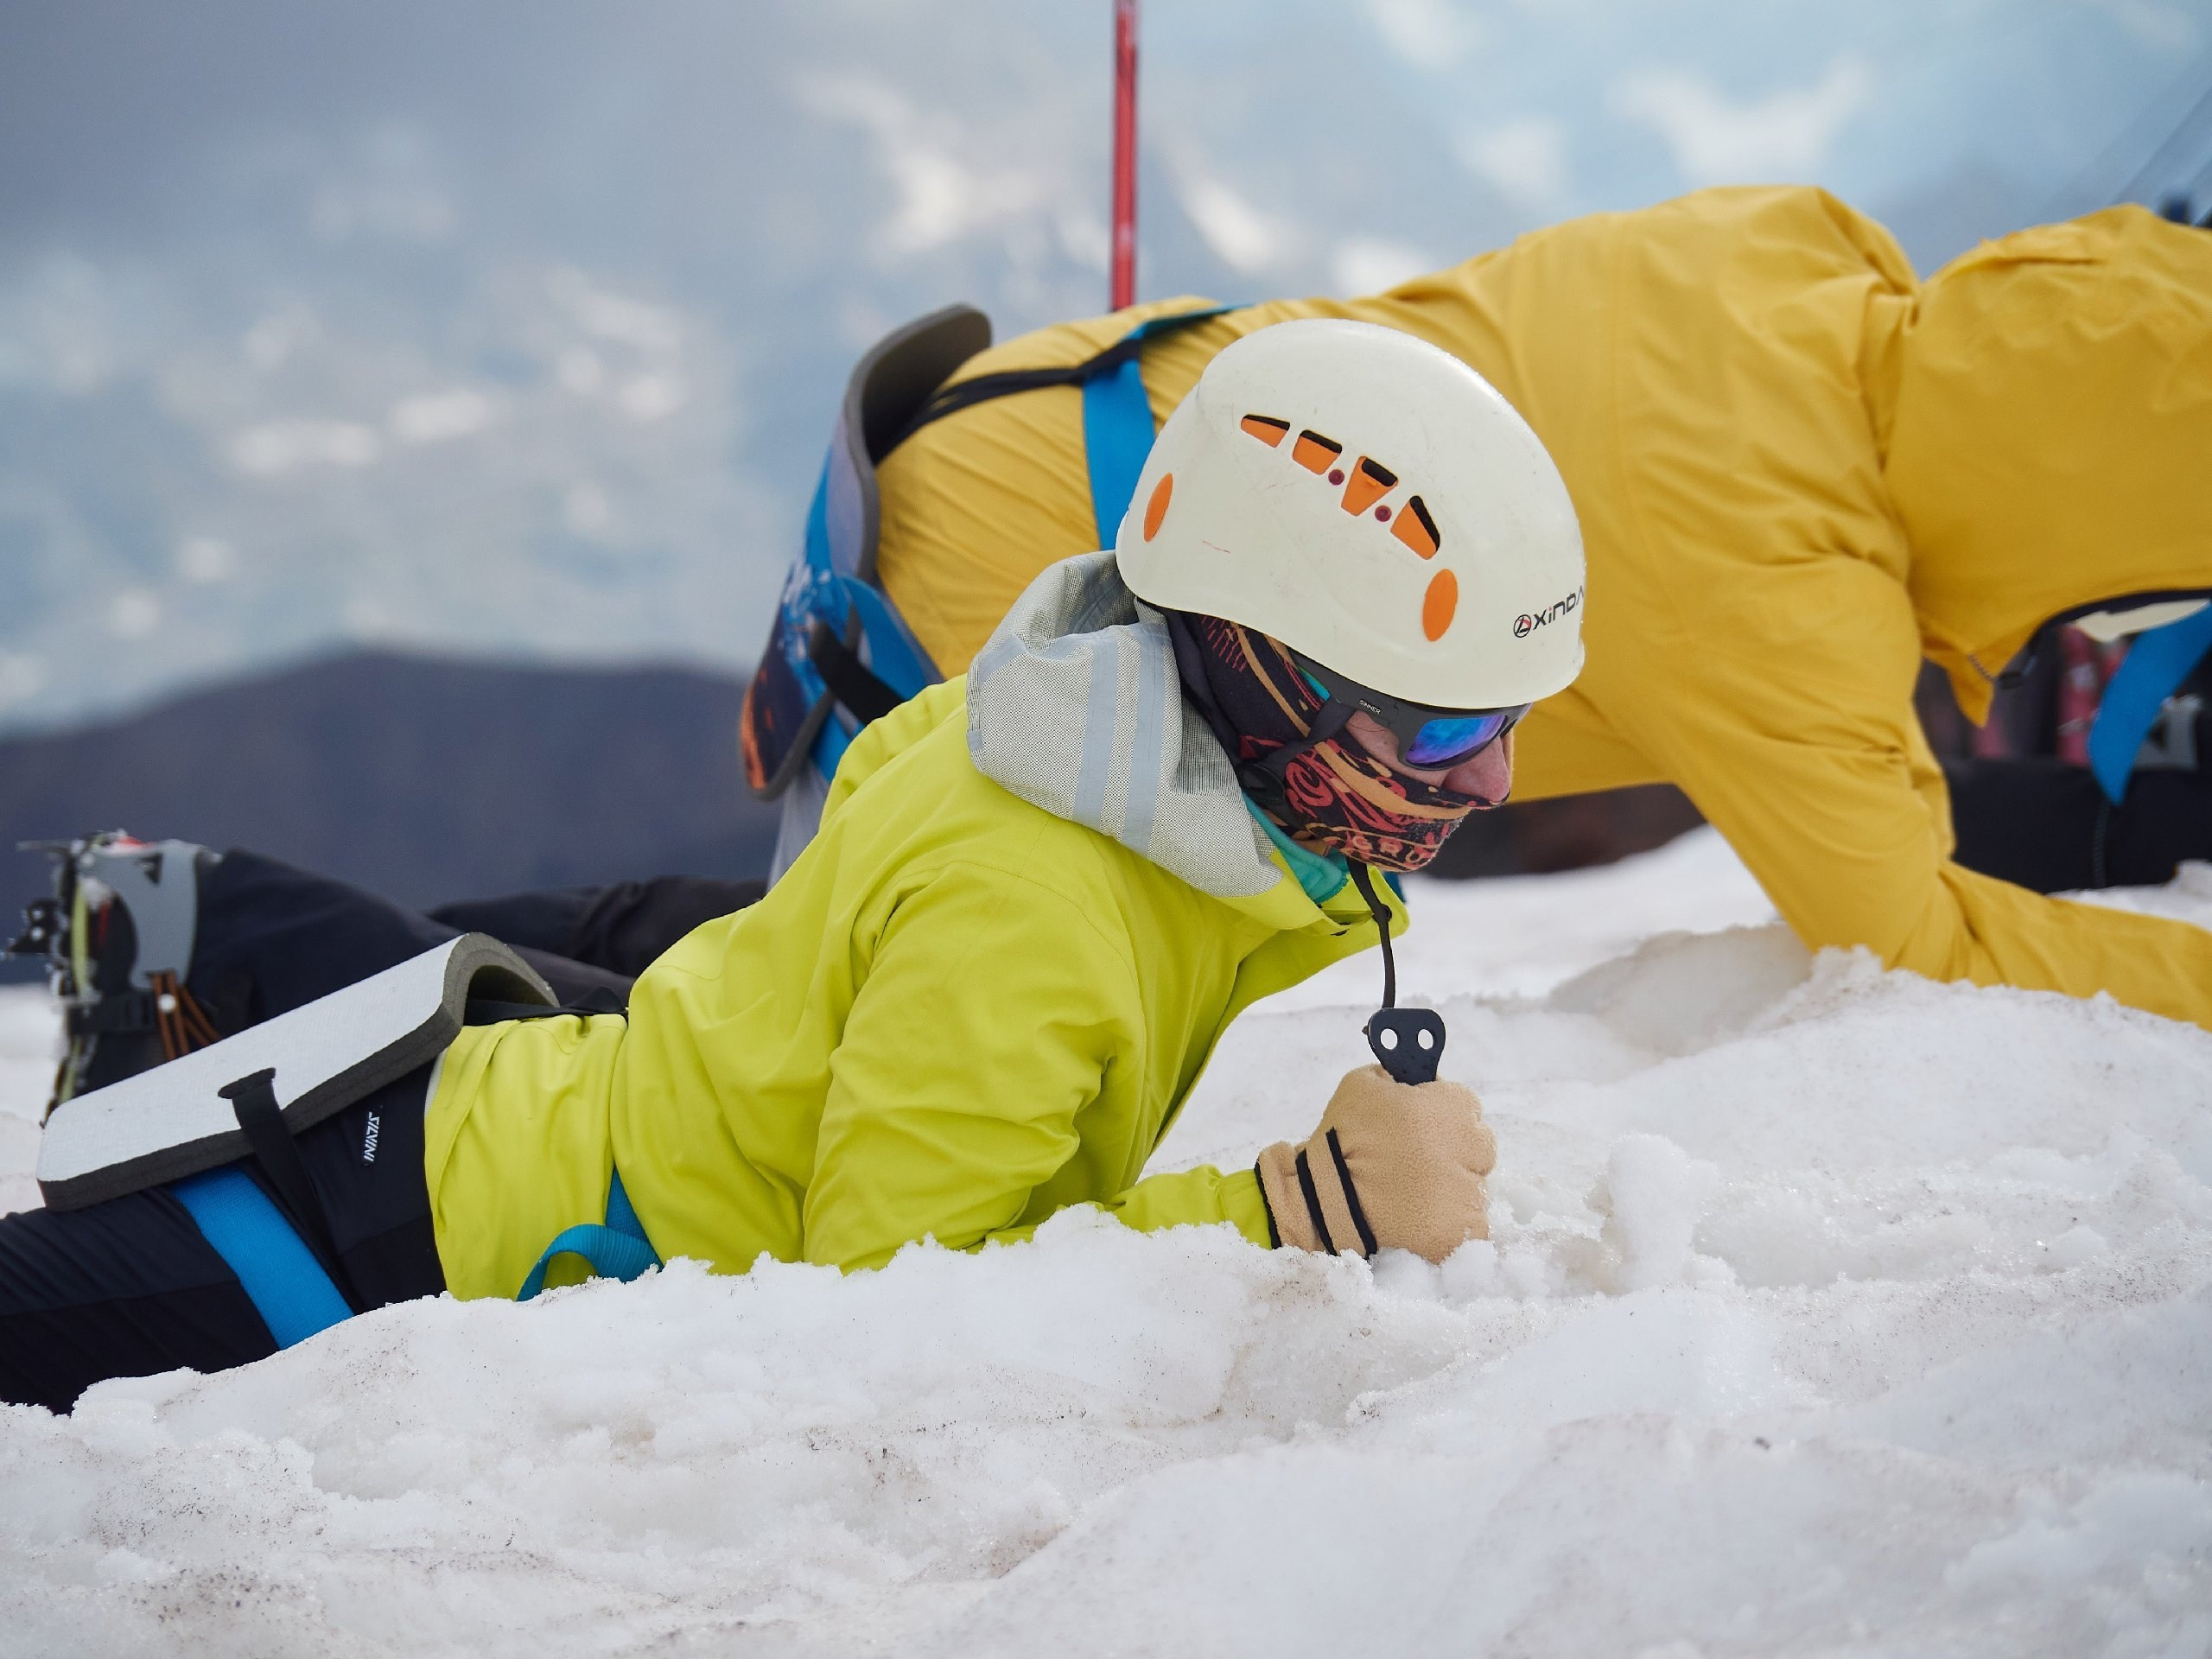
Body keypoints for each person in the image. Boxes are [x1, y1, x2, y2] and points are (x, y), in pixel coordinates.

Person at [1, 321, 1567, 1412]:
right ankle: (163, 937)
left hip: (519, 1119)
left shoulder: (1057, 707)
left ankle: (173, 928)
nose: (1491, 777)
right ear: (1265, 665)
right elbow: (891, 1299)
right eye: (1440, 728)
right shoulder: (1038, 905)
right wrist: (1294, 1210)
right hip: (415, 1239)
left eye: (1503, 721)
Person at [853, 187, 2212, 1030]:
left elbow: (1869, 773)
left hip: (1047, 408)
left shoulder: (1796, 250)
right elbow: (1919, 943)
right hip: (1001, 603)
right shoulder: (1778, 593)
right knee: (918, 1006)